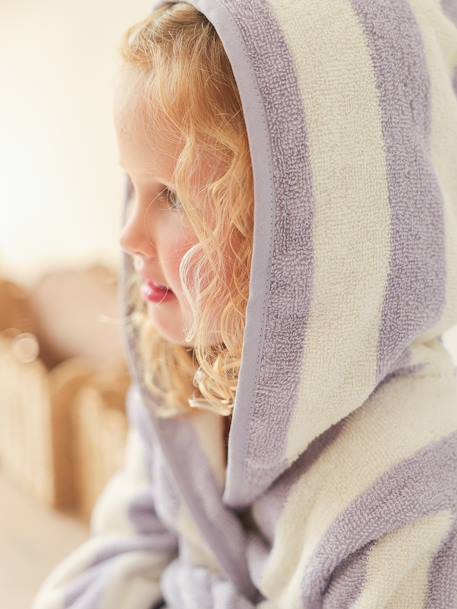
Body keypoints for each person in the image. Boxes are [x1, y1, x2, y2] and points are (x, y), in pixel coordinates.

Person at [32, 1, 457, 608]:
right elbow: (132, 541)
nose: (127, 237)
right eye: (135, 186)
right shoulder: (181, 375)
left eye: (172, 196)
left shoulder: (410, 502)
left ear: (312, 231)